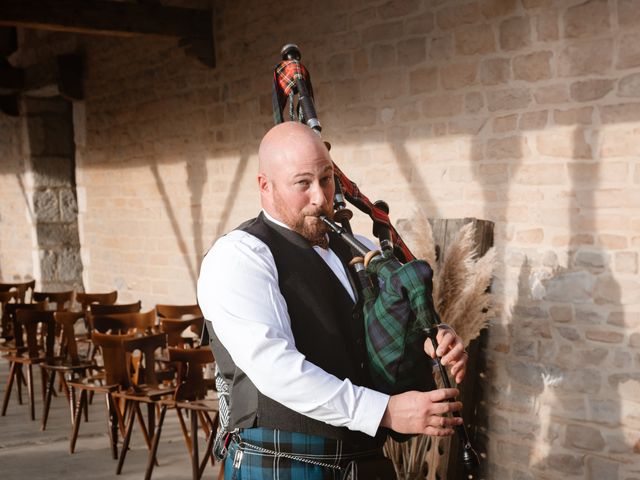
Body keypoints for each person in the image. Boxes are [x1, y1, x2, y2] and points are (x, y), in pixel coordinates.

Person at [197, 121, 468, 479]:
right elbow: (276, 370)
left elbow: (384, 336)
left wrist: (434, 341)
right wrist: (385, 411)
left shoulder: (362, 250)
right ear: (265, 186)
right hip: (283, 463)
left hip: (366, 462)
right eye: (302, 183)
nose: (321, 198)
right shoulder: (240, 256)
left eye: (326, 179)